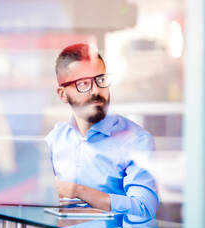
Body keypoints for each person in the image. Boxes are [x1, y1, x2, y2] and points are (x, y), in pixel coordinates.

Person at [45, 44, 158, 218]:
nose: (96, 90)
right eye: (83, 83)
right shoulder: (55, 140)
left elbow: (144, 209)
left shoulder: (136, 140)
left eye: (101, 80)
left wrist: (79, 191)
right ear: (62, 94)